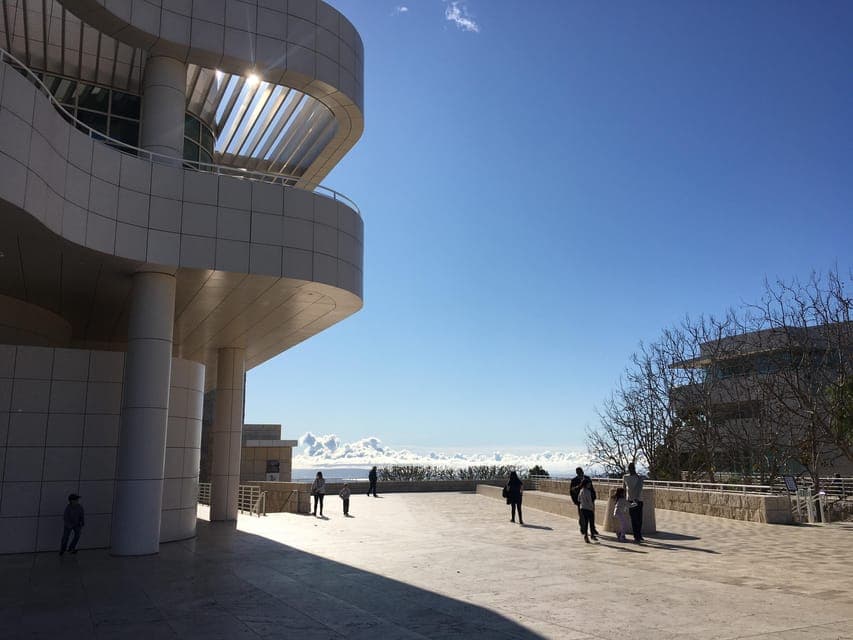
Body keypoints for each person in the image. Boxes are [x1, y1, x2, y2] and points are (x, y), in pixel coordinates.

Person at [570, 467, 599, 537]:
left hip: (590, 500)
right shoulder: (574, 480)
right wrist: (575, 501)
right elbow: (572, 492)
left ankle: (593, 529)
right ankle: (583, 529)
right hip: (581, 501)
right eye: (579, 472)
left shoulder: (587, 478)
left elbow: (592, 488)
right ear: (577, 473)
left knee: (592, 516)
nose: (580, 473)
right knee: (582, 516)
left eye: (581, 471)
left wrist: (594, 497)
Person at [623, 462, 645, 542]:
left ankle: (639, 535)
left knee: (639, 519)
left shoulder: (639, 477)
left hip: (639, 500)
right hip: (630, 500)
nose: (630, 470)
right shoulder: (625, 477)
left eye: (631, 468)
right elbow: (624, 488)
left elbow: (640, 489)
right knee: (634, 519)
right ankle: (636, 536)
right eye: (629, 468)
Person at [578, 477, 597, 543]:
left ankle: (586, 536)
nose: (590, 485)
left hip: (582, 508)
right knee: (591, 522)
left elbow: (579, 499)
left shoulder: (581, 491)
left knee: (585, 523)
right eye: (589, 484)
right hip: (588, 509)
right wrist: (592, 508)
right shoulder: (588, 492)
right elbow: (589, 501)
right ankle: (592, 535)